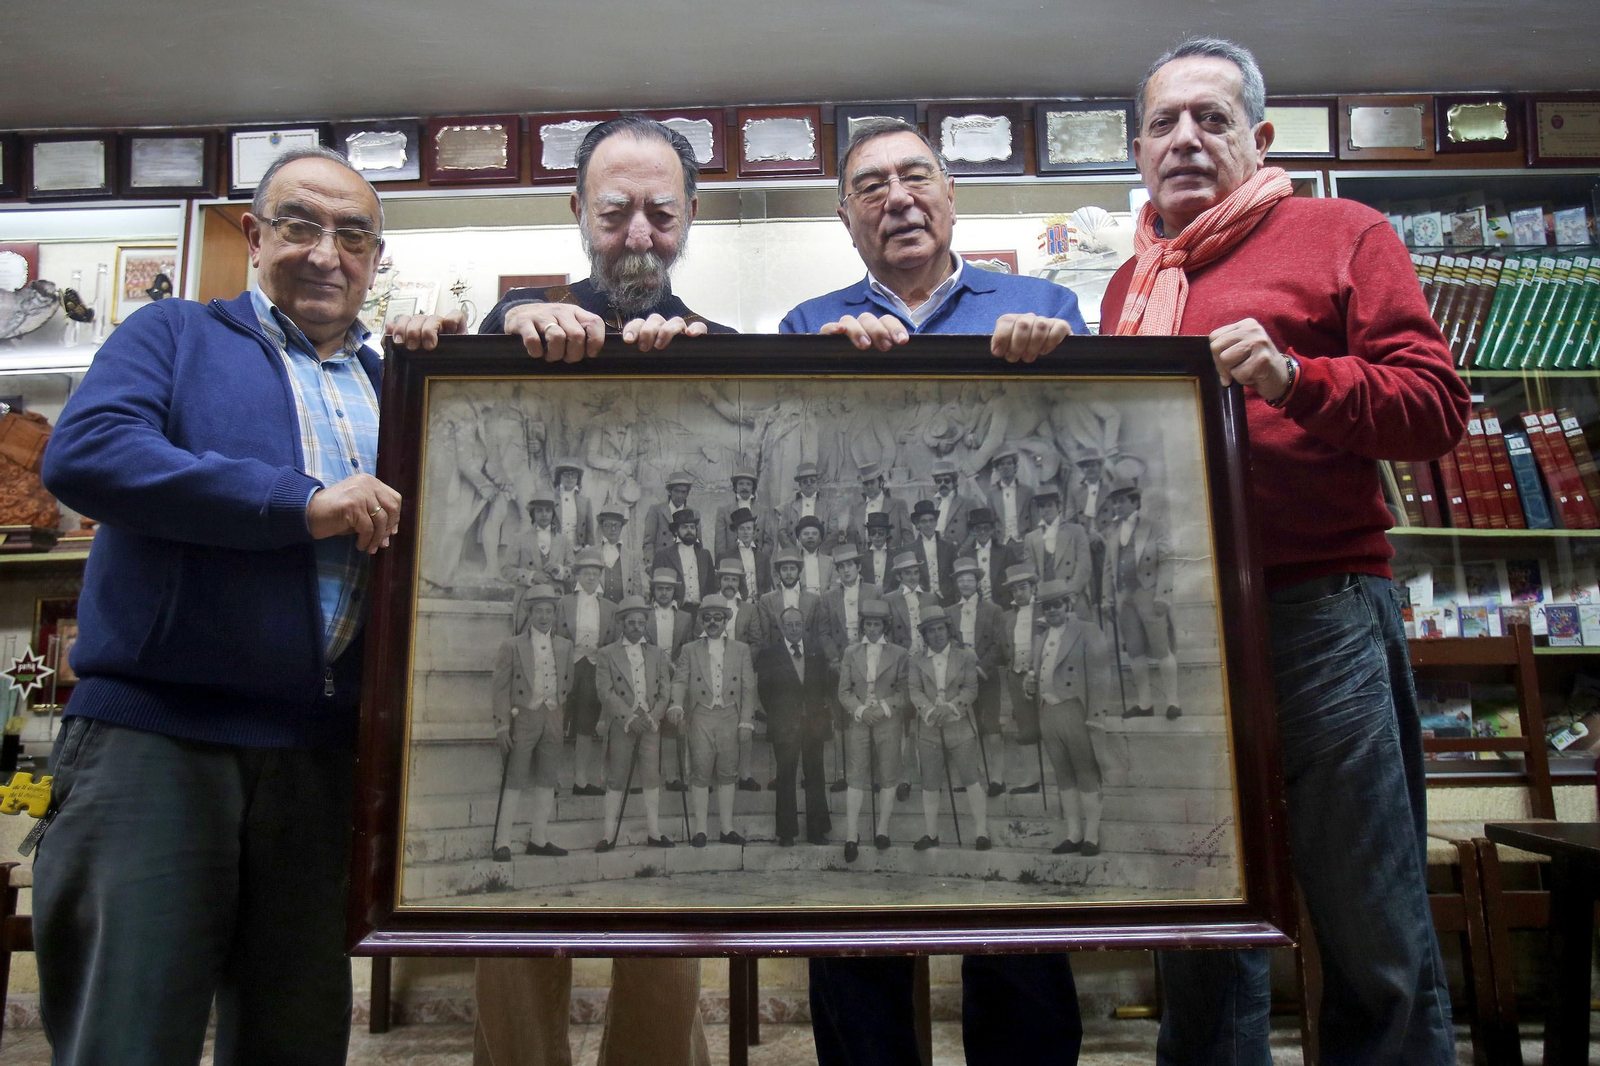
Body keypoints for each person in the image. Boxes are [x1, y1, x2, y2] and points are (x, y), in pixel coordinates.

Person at [1105, 36, 1469, 1066]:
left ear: (1259, 138)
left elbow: (1436, 408)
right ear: (1137, 150)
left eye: (1210, 118)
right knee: (1202, 913)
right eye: (1164, 122)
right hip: (1176, 631)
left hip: (1318, 613)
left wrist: (1294, 377)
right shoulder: (1132, 283)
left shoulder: (1343, 232)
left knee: (1367, 916)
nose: (1185, 138)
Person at [33, 145, 397, 1066]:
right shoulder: (173, 336)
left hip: (320, 764)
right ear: (254, 234)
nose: (327, 253)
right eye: (301, 225)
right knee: (128, 1033)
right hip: (157, 745)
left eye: (353, 234)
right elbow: (88, 456)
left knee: (296, 1038)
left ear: (375, 258)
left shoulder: (398, 384)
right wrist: (297, 502)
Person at [788, 114, 1088, 1066]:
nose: (897, 199)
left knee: (1012, 908)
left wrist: (1059, 359)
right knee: (862, 922)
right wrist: (829, 373)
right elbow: (794, 482)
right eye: (870, 187)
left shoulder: (1040, 303)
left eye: (916, 177)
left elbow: (1084, 455)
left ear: (952, 194)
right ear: (846, 215)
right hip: (866, 637)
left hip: (990, 633)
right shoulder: (808, 324)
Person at [389, 115, 734, 363]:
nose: (639, 239)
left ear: (689, 214)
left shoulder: (720, 342)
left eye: (662, 215)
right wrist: (507, 320)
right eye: (614, 214)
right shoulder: (526, 311)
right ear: (579, 211)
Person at [1025, 580, 1111, 855]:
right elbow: (1037, 674)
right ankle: (1073, 833)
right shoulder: (1040, 637)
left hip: (1075, 709)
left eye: (1057, 605)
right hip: (1048, 712)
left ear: (1068, 605)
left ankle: (1092, 835)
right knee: (1063, 775)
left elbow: (1100, 677)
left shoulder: (1087, 630)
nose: (1052, 611)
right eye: (1047, 606)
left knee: (1086, 772)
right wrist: (1030, 687)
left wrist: (1096, 716)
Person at [491, 586, 576, 859]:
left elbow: (568, 683)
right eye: (538, 611)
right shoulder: (512, 645)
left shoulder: (564, 646)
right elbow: (500, 688)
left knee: (547, 779)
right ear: (529, 613)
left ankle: (538, 839)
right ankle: (502, 842)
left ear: (555, 613)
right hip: (523, 717)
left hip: (552, 715)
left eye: (548, 611)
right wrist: (502, 725)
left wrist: (559, 713)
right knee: (514, 779)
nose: (543, 616)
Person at [669, 595, 760, 846]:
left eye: (717, 618)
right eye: (707, 618)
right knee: (700, 769)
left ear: (725, 621)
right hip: (701, 714)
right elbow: (678, 680)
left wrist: (746, 721)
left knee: (728, 771)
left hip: (730, 714)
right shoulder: (689, 649)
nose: (712, 622)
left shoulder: (740, 649)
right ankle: (700, 830)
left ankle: (726, 828)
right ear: (701, 621)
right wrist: (676, 704)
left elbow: (748, 688)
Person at [906, 607, 988, 850]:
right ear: (925, 635)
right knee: (930, 781)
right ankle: (931, 834)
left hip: (960, 727)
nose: (937, 635)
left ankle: (981, 832)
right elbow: (914, 690)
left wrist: (951, 707)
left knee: (971, 778)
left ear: (948, 630)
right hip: (930, 728)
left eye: (941, 629)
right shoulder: (917, 660)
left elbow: (971, 689)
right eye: (931, 631)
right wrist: (930, 710)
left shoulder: (965, 657)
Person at [595, 595, 673, 849]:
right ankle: (608, 834)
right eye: (631, 622)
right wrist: (628, 717)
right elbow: (605, 692)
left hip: (649, 724)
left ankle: (654, 832)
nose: (637, 627)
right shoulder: (606, 654)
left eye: (641, 622)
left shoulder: (658, 654)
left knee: (651, 776)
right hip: (622, 724)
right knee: (617, 777)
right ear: (621, 624)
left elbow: (665, 691)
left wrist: (653, 716)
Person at [1100, 478, 1179, 720]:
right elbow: (1107, 569)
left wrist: (1163, 595)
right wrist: (1106, 598)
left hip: (1149, 593)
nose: (1117, 507)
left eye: (1121, 501)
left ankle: (1173, 702)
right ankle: (1145, 704)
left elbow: (1167, 560)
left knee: (1161, 647)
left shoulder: (1153, 526)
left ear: (1135, 501)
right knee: (1134, 651)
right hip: (1125, 599)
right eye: (1114, 502)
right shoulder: (1112, 530)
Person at [754, 607, 833, 846]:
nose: (795, 629)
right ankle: (787, 833)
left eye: (798, 624)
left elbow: (824, 686)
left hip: (813, 724)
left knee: (815, 775)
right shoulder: (770, 655)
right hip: (785, 725)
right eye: (789, 625)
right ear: (782, 627)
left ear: (804, 625)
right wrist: (781, 715)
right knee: (786, 776)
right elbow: (764, 691)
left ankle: (816, 831)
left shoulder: (816, 652)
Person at [836, 600, 908, 858]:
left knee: (888, 774)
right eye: (869, 624)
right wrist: (861, 710)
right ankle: (851, 833)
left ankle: (882, 829)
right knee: (856, 775)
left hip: (887, 720)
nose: (873, 628)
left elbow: (903, 691)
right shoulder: (851, 652)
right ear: (863, 626)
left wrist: (884, 708)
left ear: (885, 626)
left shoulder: (899, 653)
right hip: (859, 719)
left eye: (878, 624)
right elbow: (843, 691)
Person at [559, 548, 619, 797]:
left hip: (594, 667)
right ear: (577, 576)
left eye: (596, 573)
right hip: (568, 666)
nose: (591, 578)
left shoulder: (609, 607)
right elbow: (557, 637)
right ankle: (550, 779)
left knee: (586, 725)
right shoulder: (565, 602)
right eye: (586, 573)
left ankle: (580, 781)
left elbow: (613, 641)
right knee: (557, 721)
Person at [950, 557, 1008, 796]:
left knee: (991, 726)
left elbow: (999, 643)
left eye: (969, 578)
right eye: (961, 579)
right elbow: (949, 641)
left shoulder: (993, 610)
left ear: (977, 581)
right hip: (961, 678)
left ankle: (996, 777)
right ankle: (967, 775)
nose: (965, 582)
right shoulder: (950, 612)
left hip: (986, 675)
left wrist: (982, 666)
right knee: (963, 726)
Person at [646, 567, 695, 794]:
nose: (664, 593)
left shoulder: (685, 617)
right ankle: (654, 774)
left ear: (674, 591)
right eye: (659, 588)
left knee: (675, 723)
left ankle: (675, 775)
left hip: (676, 671)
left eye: (668, 589)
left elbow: (688, 646)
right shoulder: (645, 614)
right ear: (653, 591)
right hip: (651, 673)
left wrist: (676, 665)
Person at [1000, 566, 1045, 798]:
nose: (1019, 593)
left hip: (1043, 674)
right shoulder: (1009, 616)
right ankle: (1032, 778)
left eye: (1023, 587)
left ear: (1033, 587)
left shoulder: (1045, 610)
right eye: (1014, 589)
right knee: (1026, 727)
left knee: (1050, 724)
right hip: (1017, 674)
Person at [503, 497, 576, 630]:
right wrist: (531, 576)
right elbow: (506, 570)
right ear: (533, 514)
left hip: (556, 600)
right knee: (528, 641)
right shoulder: (519, 538)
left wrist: (560, 570)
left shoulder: (564, 540)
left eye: (548, 510)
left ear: (553, 513)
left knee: (555, 641)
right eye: (539, 511)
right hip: (528, 600)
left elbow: (574, 573)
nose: (544, 514)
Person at [652, 507, 714, 614]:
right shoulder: (663, 555)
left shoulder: (705, 554)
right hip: (675, 610)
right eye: (685, 527)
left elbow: (711, 584)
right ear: (676, 531)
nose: (689, 530)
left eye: (692, 527)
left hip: (701, 610)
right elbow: (655, 587)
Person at [714, 465, 779, 561]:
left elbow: (769, 541)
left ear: (753, 487)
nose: (744, 487)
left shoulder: (763, 511)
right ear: (735, 487)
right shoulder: (723, 511)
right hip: (732, 561)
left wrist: (760, 560)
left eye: (748, 484)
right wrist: (725, 563)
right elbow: (720, 544)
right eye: (741, 484)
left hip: (756, 561)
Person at [847, 461, 911, 550]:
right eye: (866, 483)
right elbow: (851, 540)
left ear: (880, 482)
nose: (869, 487)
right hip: (864, 560)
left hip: (892, 559)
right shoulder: (855, 508)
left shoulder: (898, 504)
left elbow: (908, 537)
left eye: (872, 482)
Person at [983, 445, 1035, 551]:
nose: (1005, 467)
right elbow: (990, 522)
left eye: (1009, 463)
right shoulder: (992, 494)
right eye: (1001, 464)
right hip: (1002, 543)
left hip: (1024, 542)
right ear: (997, 469)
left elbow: (1035, 519)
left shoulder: (1027, 491)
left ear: (1015, 467)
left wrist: (1032, 542)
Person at [958, 507, 1012, 607]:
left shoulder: (1005, 551)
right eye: (978, 528)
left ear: (992, 529)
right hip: (977, 606)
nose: (982, 532)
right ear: (972, 531)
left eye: (986, 528)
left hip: (1003, 605)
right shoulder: (966, 554)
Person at [908, 499, 957, 605]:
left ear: (936, 522)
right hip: (921, 599)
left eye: (931, 520)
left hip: (947, 598)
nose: (928, 524)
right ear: (917, 524)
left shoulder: (949, 546)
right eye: (924, 521)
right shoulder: (910, 549)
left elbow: (955, 575)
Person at [780, 461, 839, 549]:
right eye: (805, 481)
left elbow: (834, 533)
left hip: (821, 552)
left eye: (812, 481)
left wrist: (821, 552)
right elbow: (782, 532)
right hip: (796, 552)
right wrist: (793, 551)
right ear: (800, 485)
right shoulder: (789, 506)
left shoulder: (828, 506)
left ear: (817, 484)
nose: (809, 483)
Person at [594, 508, 645, 603]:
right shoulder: (593, 552)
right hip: (599, 606)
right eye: (608, 525)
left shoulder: (631, 556)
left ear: (621, 527)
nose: (613, 529)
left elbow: (637, 588)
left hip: (623, 607)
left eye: (617, 525)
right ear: (602, 527)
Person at [644, 471, 696, 560]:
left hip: (685, 561)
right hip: (663, 561)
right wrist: (651, 564)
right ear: (670, 491)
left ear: (687, 494)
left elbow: (698, 543)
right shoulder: (656, 511)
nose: (679, 495)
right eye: (676, 491)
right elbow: (649, 542)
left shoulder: (694, 513)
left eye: (683, 492)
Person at [723, 507, 772, 600]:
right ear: (736, 532)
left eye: (748, 528)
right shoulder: (727, 556)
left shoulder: (762, 556)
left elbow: (767, 585)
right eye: (741, 529)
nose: (745, 532)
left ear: (753, 531)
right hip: (738, 602)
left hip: (759, 603)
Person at [552, 457, 594, 548]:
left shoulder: (585, 501)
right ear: (559, 477)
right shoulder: (551, 499)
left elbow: (589, 532)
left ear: (578, 479)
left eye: (574, 475)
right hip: (555, 548)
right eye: (566, 474)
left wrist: (590, 550)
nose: (570, 478)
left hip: (577, 548)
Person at [791, 514, 835, 594]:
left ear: (820, 538)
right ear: (799, 538)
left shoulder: (830, 562)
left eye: (814, 534)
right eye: (806, 534)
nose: (810, 537)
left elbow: (834, 586)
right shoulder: (793, 561)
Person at [859, 511, 900, 592]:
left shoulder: (896, 556)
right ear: (869, 535)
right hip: (869, 599)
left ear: (887, 534)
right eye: (873, 533)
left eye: (881, 533)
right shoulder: (861, 557)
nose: (877, 536)